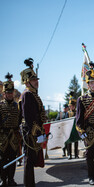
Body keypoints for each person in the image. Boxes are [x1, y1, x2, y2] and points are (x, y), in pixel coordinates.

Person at [19, 58, 47, 186]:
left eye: (36, 80)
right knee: (28, 161)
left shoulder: (33, 94)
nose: (36, 82)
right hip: (29, 133)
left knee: (31, 161)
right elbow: (29, 118)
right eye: (33, 80)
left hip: (33, 132)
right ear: (27, 82)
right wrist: (37, 133)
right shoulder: (27, 95)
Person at [0, 73, 21, 186]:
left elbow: (20, 120)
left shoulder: (17, 106)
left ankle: (11, 179)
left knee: (12, 159)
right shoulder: (0, 106)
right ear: (4, 94)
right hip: (2, 137)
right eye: (7, 93)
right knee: (2, 159)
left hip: (13, 136)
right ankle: (3, 179)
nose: (9, 94)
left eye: (11, 92)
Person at [67, 93, 79, 159]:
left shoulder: (77, 112)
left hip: (75, 129)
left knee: (76, 142)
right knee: (69, 143)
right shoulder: (68, 113)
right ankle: (69, 154)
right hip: (69, 129)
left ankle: (76, 154)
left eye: (71, 106)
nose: (70, 107)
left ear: (74, 106)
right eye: (69, 106)